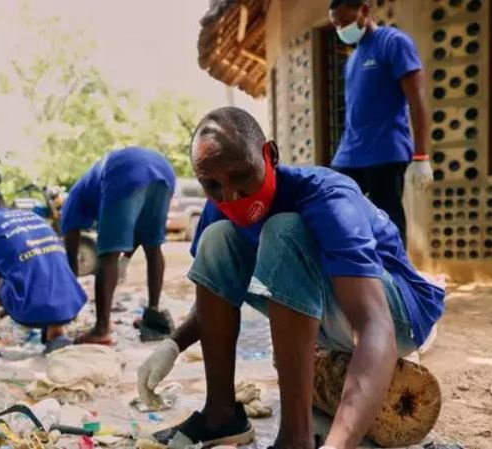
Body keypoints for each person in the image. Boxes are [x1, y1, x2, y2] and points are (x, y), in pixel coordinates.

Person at [146, 107, 445, 449]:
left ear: (269, 154)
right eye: (212, 185)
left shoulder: (328, 197)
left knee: (283, 230)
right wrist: (173, 344)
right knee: (217, 239)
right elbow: (217, 291)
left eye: (241, 175)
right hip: (331, 321)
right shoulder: (220, 206)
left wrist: (339, 444)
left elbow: (375, 324)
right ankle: (221, 415)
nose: (230, 196)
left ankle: (295, 438)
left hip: (398, 315)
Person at [328, 0, 433, 246]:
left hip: (385, 151)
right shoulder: (354, 59)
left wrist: (421, 157)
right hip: (349, 154)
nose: (341, 29)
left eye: (345, 21)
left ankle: (399, 279)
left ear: (364, 11)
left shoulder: (393, 43)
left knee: (388, 223)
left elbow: (417, 100)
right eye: (336, 25)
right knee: (330, 204)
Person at [61, 147, 176, 344]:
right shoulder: (93, 186)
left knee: (107, 256)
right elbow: (140, 230)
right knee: (153, 247)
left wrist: (65, 302)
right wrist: (126, 260)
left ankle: (101, 330)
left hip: (125, 171)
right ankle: (153, 315)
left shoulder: (73, 199)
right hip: (164, 170)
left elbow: (71, 260)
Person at [0, 185, 86, 356]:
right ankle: (56, 332)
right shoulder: (33, 217)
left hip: (32, 311)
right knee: (41, 264)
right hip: (71, 305)